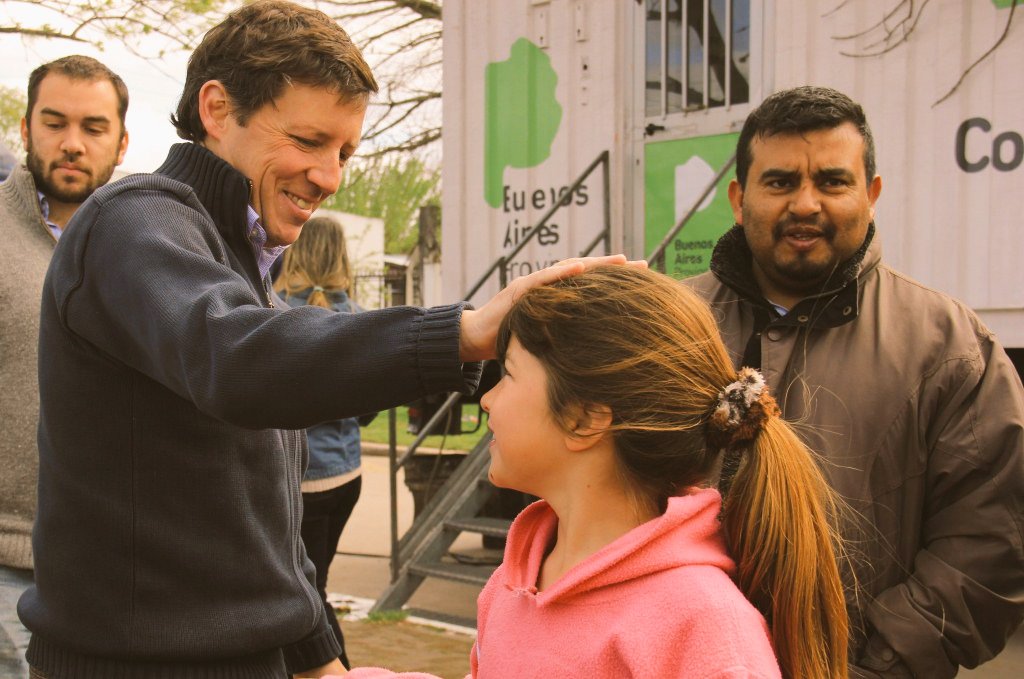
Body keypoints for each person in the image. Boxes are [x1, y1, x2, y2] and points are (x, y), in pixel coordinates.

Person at [16, 2, 634, 678]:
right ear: (217, 109)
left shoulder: (237, 258)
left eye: (344, 152)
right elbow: (243, 361)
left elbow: (268, 522)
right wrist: (461, 330)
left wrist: (320, 660)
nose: (331, 176)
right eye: (310, 141)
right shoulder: (132, 222)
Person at [339, 265, 849, 679]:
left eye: (507, 375)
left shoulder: (702, 629)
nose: (486, 400)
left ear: (584, 418)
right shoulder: (512, 583)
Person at [684, 85, 1024, 677]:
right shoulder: (672, 327)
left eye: (833, 182)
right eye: (781, 181)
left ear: (871, 195)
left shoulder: (949, 346)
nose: (806, 204)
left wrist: (877, 667)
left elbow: (989, 546)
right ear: (739, 199)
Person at [0, 54, 128, 676]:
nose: (71, 144)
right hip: (9, 568)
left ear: (122, 142)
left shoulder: (149, 251)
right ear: (25, 130)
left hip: (117, 571)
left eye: (93, 127)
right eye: (54, 123)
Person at [274, 215, 371, 669]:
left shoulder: (273, 313)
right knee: (316, 588)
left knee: (306, 598)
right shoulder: (357, 319)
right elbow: (370, 405)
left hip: (302, 482)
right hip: (347, 476)